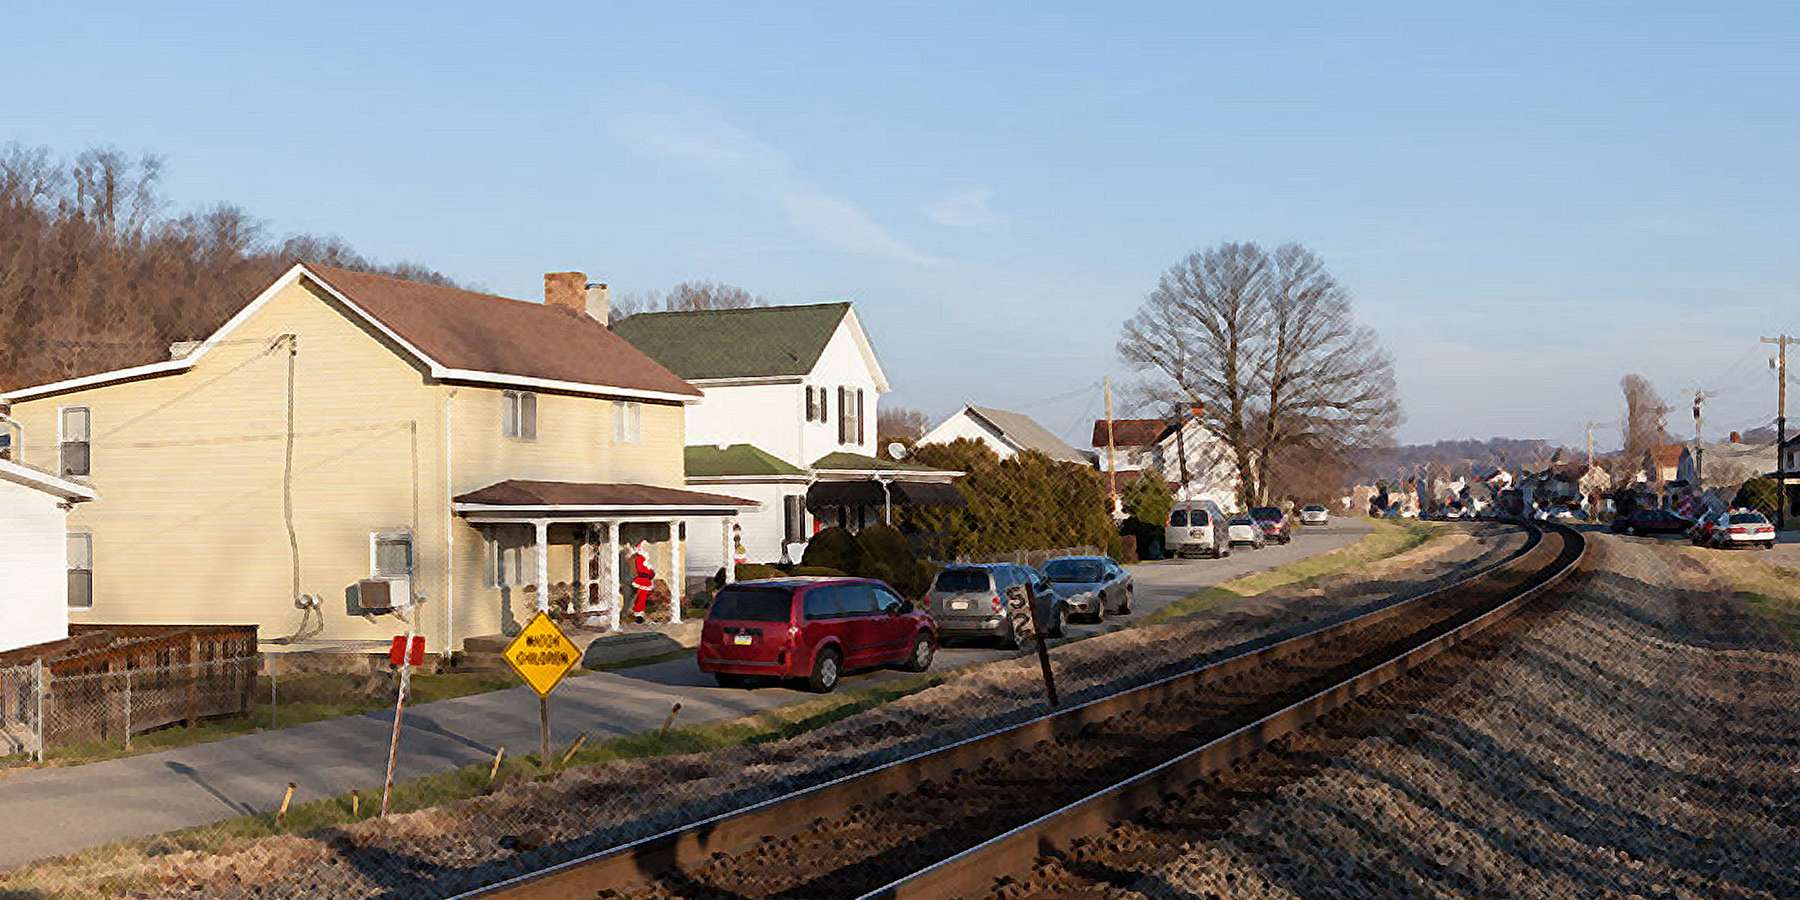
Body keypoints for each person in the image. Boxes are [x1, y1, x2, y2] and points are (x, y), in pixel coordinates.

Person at [630, 540, 655, 624]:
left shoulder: (643, 558)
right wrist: (649, 572)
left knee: (642, 598)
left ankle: (639, 614)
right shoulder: (639, 558)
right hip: (642, 580)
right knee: (641, 598)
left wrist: (650, 572)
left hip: (646, 580)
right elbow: (642, 570)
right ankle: (638, 615)